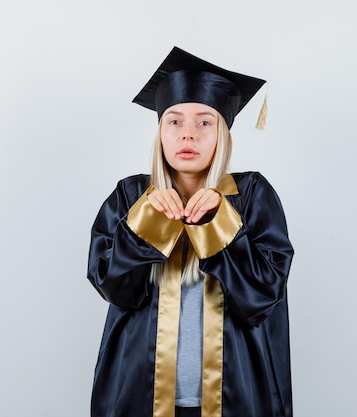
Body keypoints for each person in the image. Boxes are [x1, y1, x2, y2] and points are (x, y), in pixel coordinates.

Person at [87, 47, 294, 417]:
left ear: (222, 134)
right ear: (160, 132)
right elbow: (114, 287)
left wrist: (219, 223)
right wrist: (146, 224)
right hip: (139, 396)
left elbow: (263, 297)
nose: (188, 135)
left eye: (204, 122)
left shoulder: (251, 197)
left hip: (235, 398)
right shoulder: (131, 196)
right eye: (175, 121)